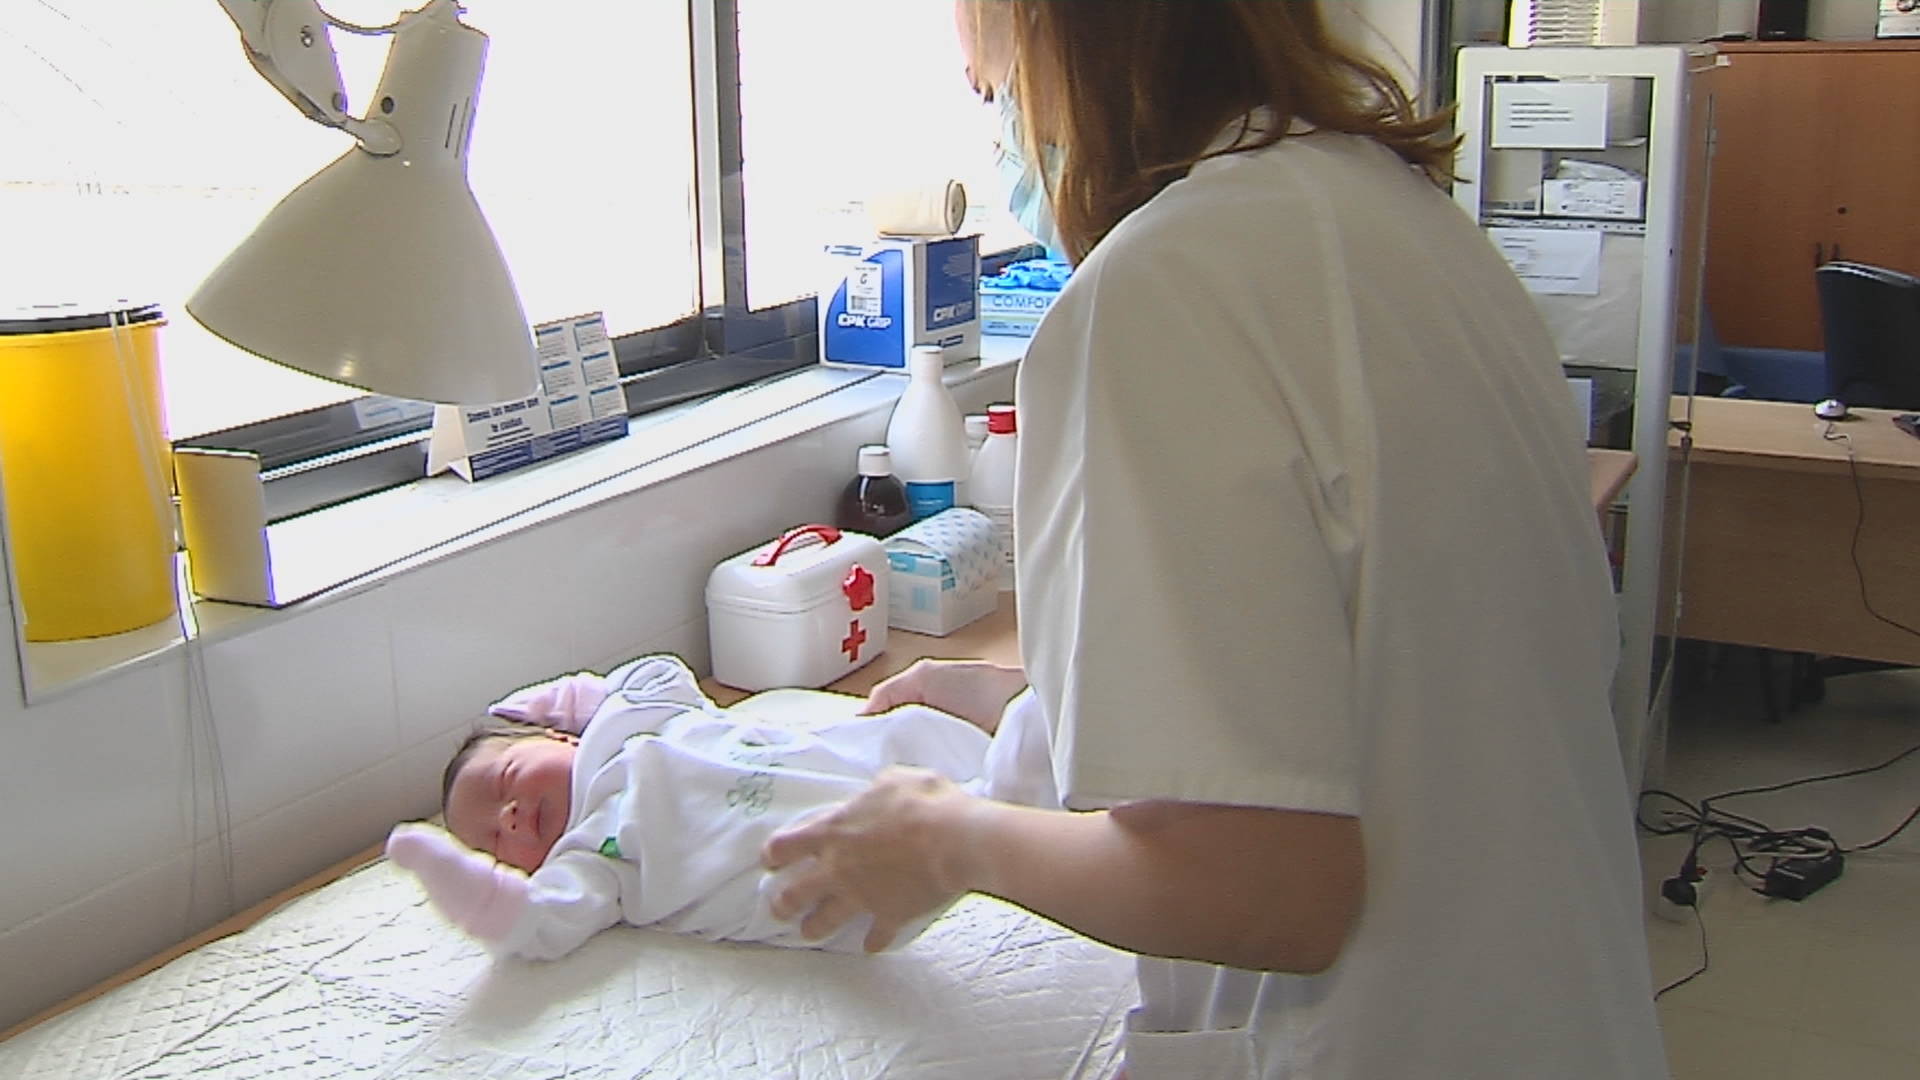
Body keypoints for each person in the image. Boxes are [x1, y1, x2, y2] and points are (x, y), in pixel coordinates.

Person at [759, 4, 1671, 1079]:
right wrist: (1025, 706)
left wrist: (948, 839)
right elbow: (1369, 662)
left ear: (1058, 33)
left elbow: (1265, 890)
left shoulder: (1166, 285)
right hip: (1552, 1011)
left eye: (991, 87)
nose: (1004, 134)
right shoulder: (1392, 216)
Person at [385, 653, 1059, 961]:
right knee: (995, 791)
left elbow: (657, 671)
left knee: (909, 738)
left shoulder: (632, 722)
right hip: (829, 871)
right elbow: (540, 921)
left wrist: (555, 703)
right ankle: (1023, 778)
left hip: (848, 766)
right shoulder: (593, 856)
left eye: (506, 778)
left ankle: (1032, 754)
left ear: (561, 738)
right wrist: (467, 886)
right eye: (492, 842)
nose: (507, 816)